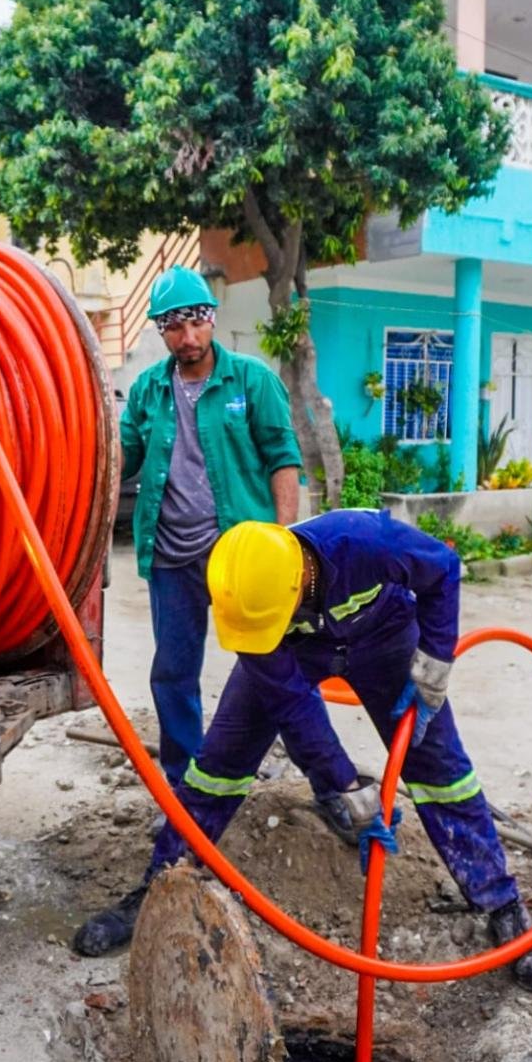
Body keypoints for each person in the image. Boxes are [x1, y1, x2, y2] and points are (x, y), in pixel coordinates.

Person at [73, 509, 532, 996]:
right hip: (295, 653)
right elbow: (296, 710)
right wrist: (346, 786)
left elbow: (443, 570)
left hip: (384, 636)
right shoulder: (252, 604)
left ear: (298, 585)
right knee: (217, 769)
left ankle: (502, 905)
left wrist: (433, 663)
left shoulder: (366, 542)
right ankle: (158, 887)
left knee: (441, 769)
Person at [116, 264, 302, 792]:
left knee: (268, 663)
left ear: (213, 318)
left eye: (196, 322)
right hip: (171, 558)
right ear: (160, 330)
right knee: (173, 674)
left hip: (240, 554)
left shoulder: (252, 379)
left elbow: (282, 457)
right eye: (174, 326)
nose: (188, 337)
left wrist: (284, 541)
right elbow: (121, 459)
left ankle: (282, 759)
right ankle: (186, 779)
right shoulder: (149, 391)